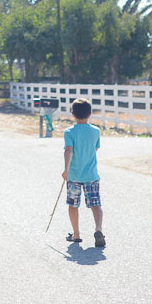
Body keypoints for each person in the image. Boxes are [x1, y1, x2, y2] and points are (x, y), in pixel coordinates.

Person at [62, 97, 105, 247]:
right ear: (90, 113)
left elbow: (68, 150)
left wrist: (66, 170)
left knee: (73, 205)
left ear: (72, 113)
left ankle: (76, 234)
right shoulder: (95, 131)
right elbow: (95, 149)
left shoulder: (69, 132)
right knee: (95, 203)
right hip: (91, 175)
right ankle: (98, 228)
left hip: (74, 175)